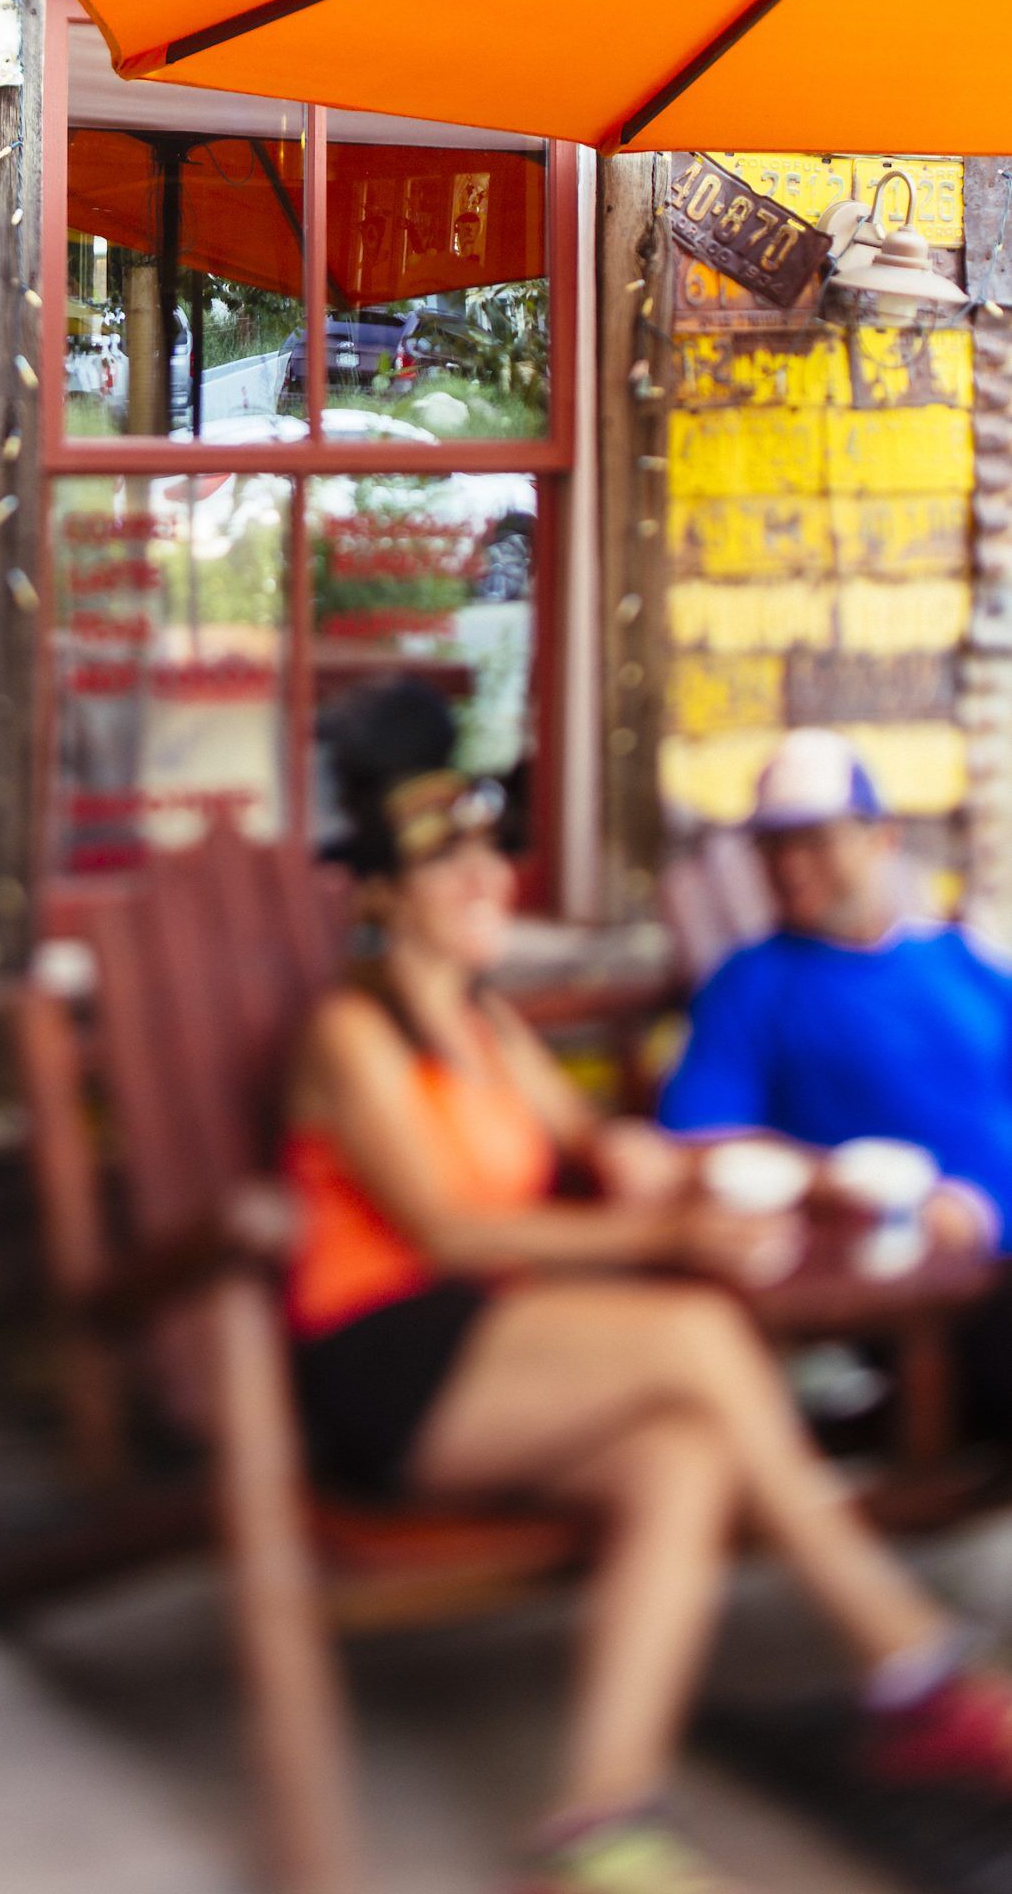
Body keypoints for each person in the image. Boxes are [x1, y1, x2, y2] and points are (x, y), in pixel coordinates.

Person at [287, 682, 1012, 1894]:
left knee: (682, 1451)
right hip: (384, 1352)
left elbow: (608, 1151)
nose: (487, 885)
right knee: (687, 1333)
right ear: (382, 895)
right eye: (451, 869)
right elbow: (449, 1229)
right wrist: (664, 1233)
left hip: (496, 1349)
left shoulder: (493, 1029)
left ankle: (597, 1820)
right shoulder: (352, 1037)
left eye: (489, 861)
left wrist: (683, 1174)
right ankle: (914, 1663)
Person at [661, 729, 1012, 1268]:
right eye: (773, 845)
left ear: (884, 838)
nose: (789, 867)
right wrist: (869, 1192)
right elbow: (698, 1147)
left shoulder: (961, 959)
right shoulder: (750, 986)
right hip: (923, 1269)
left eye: (815, 841)